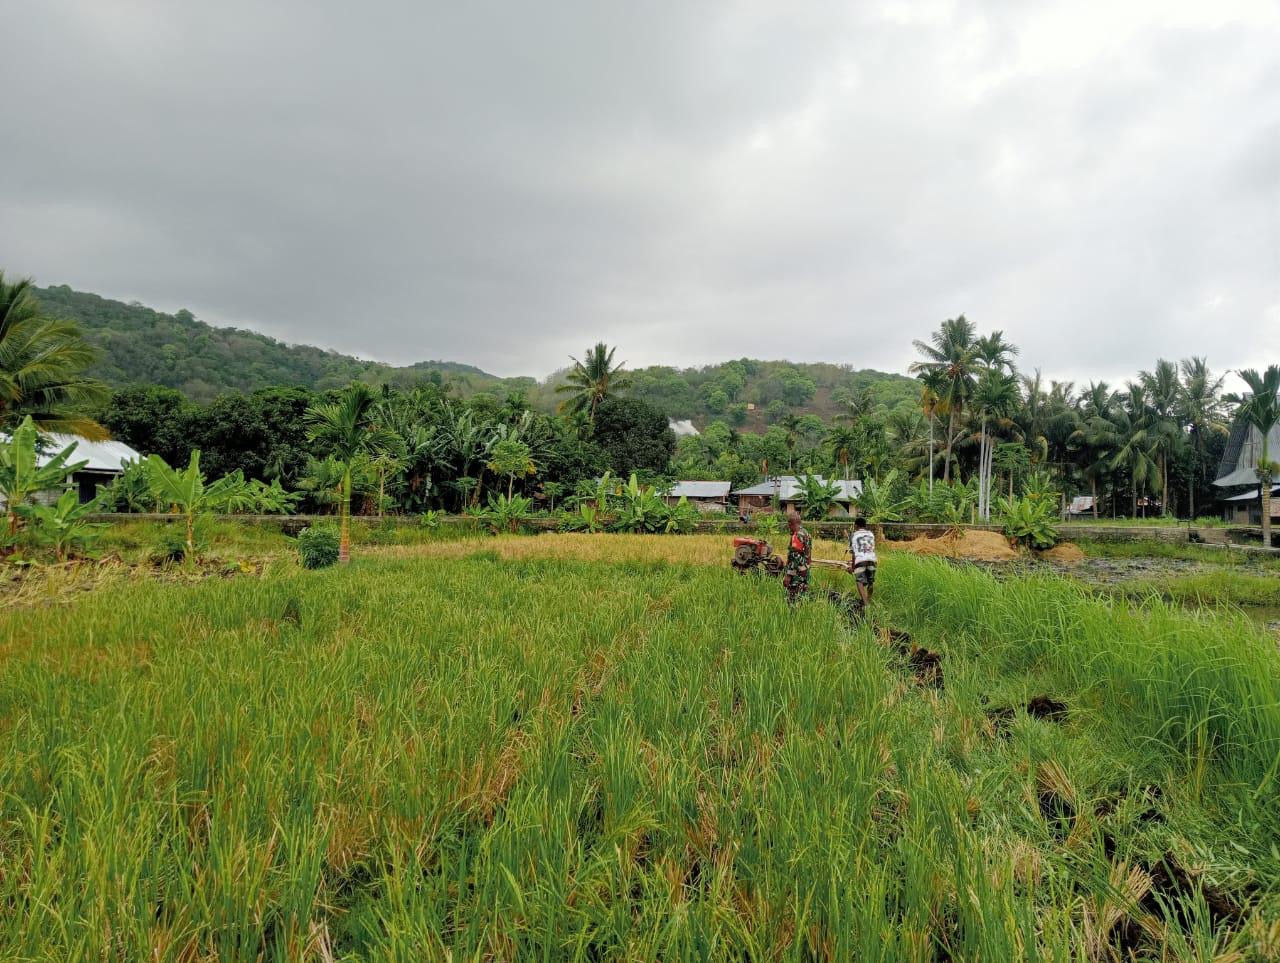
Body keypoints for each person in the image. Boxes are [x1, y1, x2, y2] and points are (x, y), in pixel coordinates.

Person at [781, 511, 812, 605]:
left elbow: (795, 556)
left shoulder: (796, 535)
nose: (789, 528)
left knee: (792, 601)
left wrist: (788, 575)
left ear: (790, 524)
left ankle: (792, 617)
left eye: (789, 525)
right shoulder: (806, 533)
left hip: (796, 575)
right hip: (805, 571)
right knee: (802, 598)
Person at [848, 516, 877, 607]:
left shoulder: (854, 535)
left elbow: (853, 553)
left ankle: (866, 604)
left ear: (856, 525)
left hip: (860, 559)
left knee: (859, 581)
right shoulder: (871, 534)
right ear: (865, 525)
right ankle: (868, 599)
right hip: (872, 559)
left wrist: (852, 568)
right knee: (870, 582)